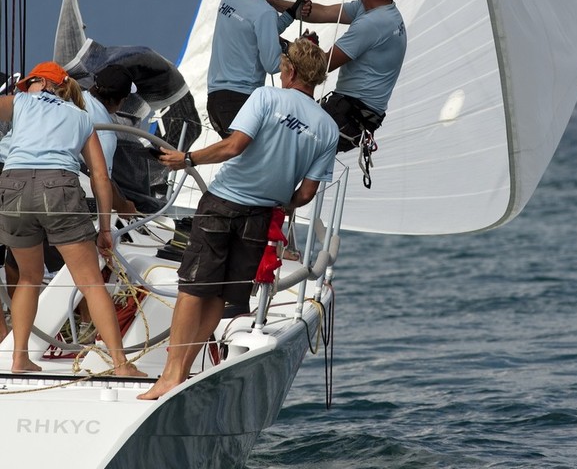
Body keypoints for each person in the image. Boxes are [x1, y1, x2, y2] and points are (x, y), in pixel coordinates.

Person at [138, 36, 339, 400]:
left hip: (223, 204)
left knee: (193, 289)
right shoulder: (327, 128)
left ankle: (169, 376)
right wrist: (279, 199)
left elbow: (233, 146)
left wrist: (188, 159)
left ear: (290, 69)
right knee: (221, 297)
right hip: (261, 217)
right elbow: (307, 194)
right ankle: (182, 372)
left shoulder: (265, 97)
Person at [0, 61, 146, 377]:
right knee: (91, 282)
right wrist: (105, 229)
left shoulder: (21, 102)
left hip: (12, 185)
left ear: (40, 83)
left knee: (28, 277)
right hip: (58, 187)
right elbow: (100, 178)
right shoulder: (81, 118)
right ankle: (121, 365)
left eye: (29, 83)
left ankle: (19, 359)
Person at [269, 0, 407, 151]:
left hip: (350, 115)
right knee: (292, 145)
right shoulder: (378, 10)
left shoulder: (372, 24)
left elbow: (320, 66)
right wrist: (274, 2)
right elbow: (323, 12)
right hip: (354, 112)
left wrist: (282, 43)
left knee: (284, 139)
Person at [206, 0, 300, 138]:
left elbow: (252, 31)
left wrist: (290, 15)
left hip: (215, 101)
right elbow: (272, 64)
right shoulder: (264, 12)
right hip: (239, 100)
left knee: (245, 163)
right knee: (264, 163)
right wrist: (298, 51)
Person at [83, 63, 138, 216]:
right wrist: (124, 207)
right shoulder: (105, 132)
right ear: (121, 100)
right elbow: (101, 181)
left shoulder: (73, 97)